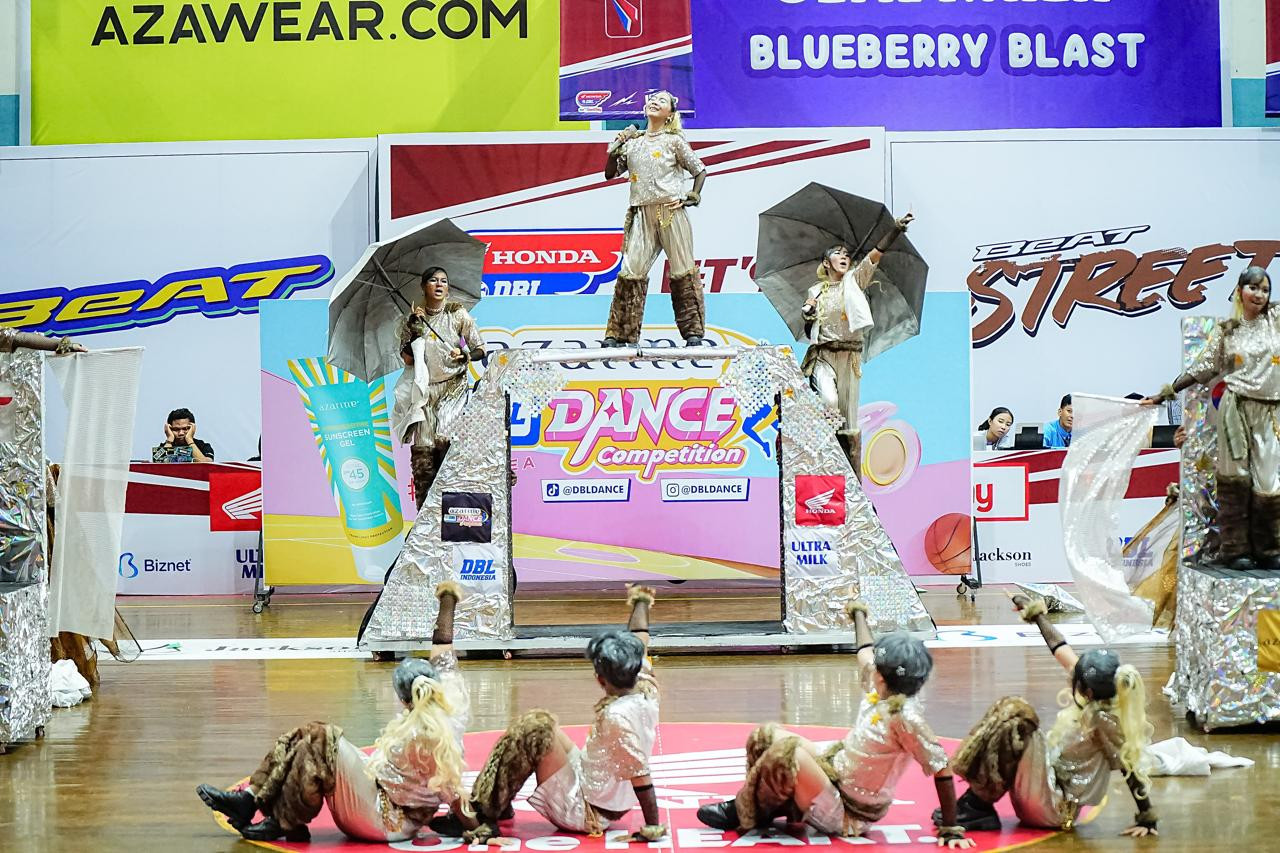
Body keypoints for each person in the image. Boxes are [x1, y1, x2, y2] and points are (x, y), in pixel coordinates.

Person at [197, 582, 471, 842]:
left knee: (324, 738)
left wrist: (476, 826)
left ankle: (283, 819)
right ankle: (251, 800)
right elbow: (443, 643)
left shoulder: (426, 735)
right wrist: (448, 599)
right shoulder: (449, 691)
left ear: (403, 700)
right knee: (310, 734)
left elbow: (452, 789)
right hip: (382, 795)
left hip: (388, 820)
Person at [696, 600, 974, 849]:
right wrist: (858, 613)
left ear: (883, 677)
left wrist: (951, 828)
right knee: (765, 736)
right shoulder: (880, 688)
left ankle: (744, 811)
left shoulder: (906, 717)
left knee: (789, 753)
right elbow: (865, 650)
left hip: (847, 813)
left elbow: (941, 766)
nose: (873, 667)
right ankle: (771, 806)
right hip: (835, 776)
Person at [432, 586, 664, 843]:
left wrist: (653, 826)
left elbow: (640, 773)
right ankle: (497, 802)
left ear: (600, 679)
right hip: (595, 786)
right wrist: (641, 601)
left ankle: (482, 812)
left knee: (533, 731)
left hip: (586, 812)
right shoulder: (645, 686)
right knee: (541, 722)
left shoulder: (617, 718)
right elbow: (639, 639)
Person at [942, 593, 1156, 838]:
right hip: (1044, 788)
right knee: (1012, 712)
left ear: (1086, 690)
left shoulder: (1104, 720)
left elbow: (1129, 766)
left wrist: (1147, 817)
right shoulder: (1093, 691)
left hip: (1054, 809)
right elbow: (1059, 645)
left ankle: (977, 806)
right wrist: (1033, 612)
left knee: (1017, 716)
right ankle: (975, 802)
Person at [1143, 266, 1278, 571]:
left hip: (1270, 411)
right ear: (1240, 291)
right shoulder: (1227, 330)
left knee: (1269, 482)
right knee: (1235, 479)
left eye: (1265, 289)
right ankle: (1235, 550)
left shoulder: (1276, 321)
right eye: (1253, 288)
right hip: (1235, 410)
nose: (1259, 294)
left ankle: (1269, 549)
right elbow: (1201, 368)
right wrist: (1164, 394)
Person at [800, 215, 914, 472]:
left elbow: (876, 254)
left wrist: (895, 230)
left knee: (848, 421)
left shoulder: (854, 280)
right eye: (838, 253)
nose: (844, 257)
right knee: (828, 402)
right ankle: (825, 455)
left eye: (847, 255)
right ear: (826, 262)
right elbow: (808, 323)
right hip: (823, 355)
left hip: (849, 357)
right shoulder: (815, 290)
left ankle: (849, 475)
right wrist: (809, 311)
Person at [602, 91, 708, 348]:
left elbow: (700, 170)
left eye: (662, 101)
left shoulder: (674, 141)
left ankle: (693, 333)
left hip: (670, 211)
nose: (654, 102)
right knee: (631, 271)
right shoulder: (633, 142)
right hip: (641, 213)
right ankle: (619, 333)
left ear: (670, 114)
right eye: (652, 99)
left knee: (683, 269)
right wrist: (615, 149)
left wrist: (692, 195)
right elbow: (609, 174)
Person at [392, 266, 486, 510]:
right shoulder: (413, 320)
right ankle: (425, 517)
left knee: (446, 444)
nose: (439, 284)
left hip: (454, 388)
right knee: (423, 456)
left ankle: (451, 512)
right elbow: (408, 360)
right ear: (424, 286)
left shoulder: (457, 313)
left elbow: (480, 349)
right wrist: (415, 331)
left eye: (443, 281)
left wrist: (464, 354)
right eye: (433, 280)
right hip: (424, 392)